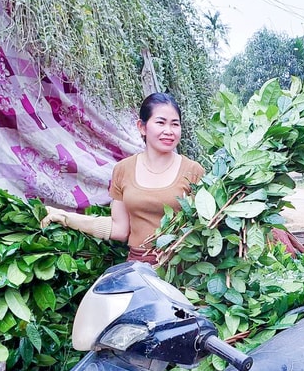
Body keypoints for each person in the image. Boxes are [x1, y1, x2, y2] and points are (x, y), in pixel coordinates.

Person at [41, 93, 205, 264]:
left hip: (183, 270)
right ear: (142, 127)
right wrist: (66, 218)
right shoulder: (123, 170)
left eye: (175, 124)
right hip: (138, 267)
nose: (169, 131)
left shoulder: (193, 171)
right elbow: (120, 229)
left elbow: (203, 227)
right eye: (160, 122)